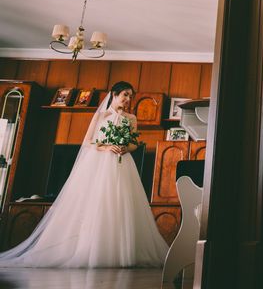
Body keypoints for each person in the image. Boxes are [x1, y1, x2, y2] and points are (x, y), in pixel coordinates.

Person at [0, 81, 168, 267]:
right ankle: (92, 249)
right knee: (97, 203)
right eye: (125, 95)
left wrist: (125, 147)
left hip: (123, 164)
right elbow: (87, 141)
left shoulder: (131, 118)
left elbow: (135, 142)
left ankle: (121, 251)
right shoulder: (102, 115)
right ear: (114, 94)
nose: (128, 99)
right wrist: (106, 147)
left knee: (121, 203)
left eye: (130, 96)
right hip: (100, 164)